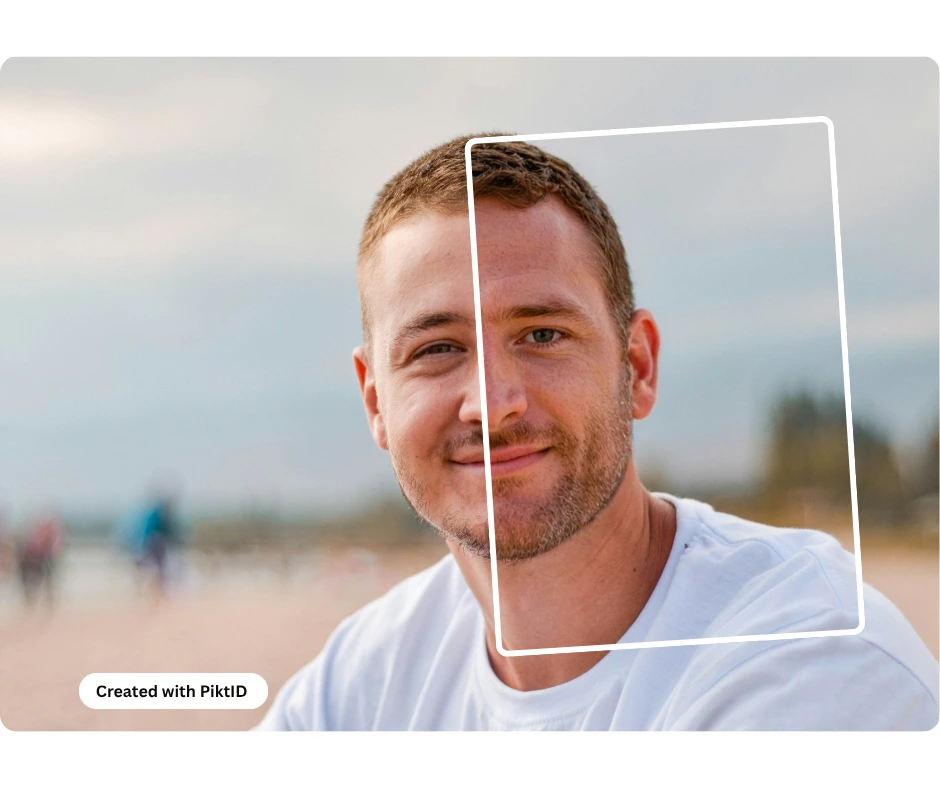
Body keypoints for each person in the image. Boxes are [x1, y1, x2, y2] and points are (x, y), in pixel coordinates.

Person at [257, 135, 939, 731]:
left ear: (637, 366)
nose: (492, 405)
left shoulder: (806, 661)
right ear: (375, 402)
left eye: (543, 334)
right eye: (437, 348)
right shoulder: (363, 684)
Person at [16, 510, 65, 607]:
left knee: (48, 579)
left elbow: (55, 547)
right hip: (38, 557)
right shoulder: (37, 532)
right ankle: (32, 599)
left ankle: (47, 601)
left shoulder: (52, 532)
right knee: (34, 578)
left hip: (46, 557)